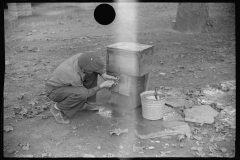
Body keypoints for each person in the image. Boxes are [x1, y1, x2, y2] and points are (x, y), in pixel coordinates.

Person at [45, 52, 117, 124]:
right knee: (81, 94)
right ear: (83, 70)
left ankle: (84, 103)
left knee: (92, 73)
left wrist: (103, 75)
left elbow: (92, 64)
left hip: (67, 83)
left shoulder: (83, 58)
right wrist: (102, 86)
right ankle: (57, 108)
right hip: (54, 91)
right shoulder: (73, 76)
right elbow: (85, 92)